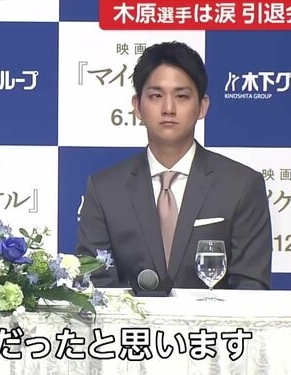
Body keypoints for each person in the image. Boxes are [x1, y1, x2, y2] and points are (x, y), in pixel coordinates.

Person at [76, 41, 272, 290]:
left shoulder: (241, 186)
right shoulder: (105, 189)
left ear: (202, 106)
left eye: (181, 96)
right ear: (137, 107)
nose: (168, 109)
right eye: (156, 96)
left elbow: (251, 287)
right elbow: (95, 285)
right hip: (130, 318)